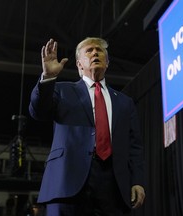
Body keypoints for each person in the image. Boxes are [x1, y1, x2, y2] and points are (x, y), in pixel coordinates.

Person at [29, 37, 145, 216]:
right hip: (67, 182)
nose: (95, 53)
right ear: (79, 64)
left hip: (113, 187)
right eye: (89, 51)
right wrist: (48, 77)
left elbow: (134, 145)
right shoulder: (61, 90)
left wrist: (137, 181)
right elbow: (38, 111)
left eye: (99, 51)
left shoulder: (125, 102)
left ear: (107, 62)